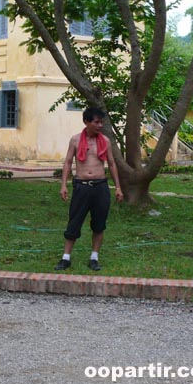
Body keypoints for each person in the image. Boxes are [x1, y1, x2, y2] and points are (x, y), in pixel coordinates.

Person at [55, 107, 124, 272]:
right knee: (74, 222)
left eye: (101, 122)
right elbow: (67, 162)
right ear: (86, 122)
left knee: (99, 224)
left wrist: (118, 188)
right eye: (96, 122)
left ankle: (94, 257)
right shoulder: (75, 140)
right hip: (81, 187)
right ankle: (66, 258)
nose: (100, 125)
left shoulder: (105, 141)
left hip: (100, 187)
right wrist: (63, 184)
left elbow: (112, 164)